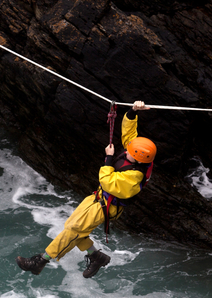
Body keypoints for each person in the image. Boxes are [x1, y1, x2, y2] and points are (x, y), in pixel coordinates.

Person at [16, 101, 155, 278]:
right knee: (72, 227)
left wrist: (109, 159)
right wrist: (132, 111)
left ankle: (40, 261)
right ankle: (96, 256)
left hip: (106, 207)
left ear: (137, 157)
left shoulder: (135, 176)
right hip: (98, 198)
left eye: (130, 151)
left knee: (73, 231)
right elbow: (129, 134)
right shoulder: (137, 155)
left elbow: (107, 181)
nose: (127, 149)